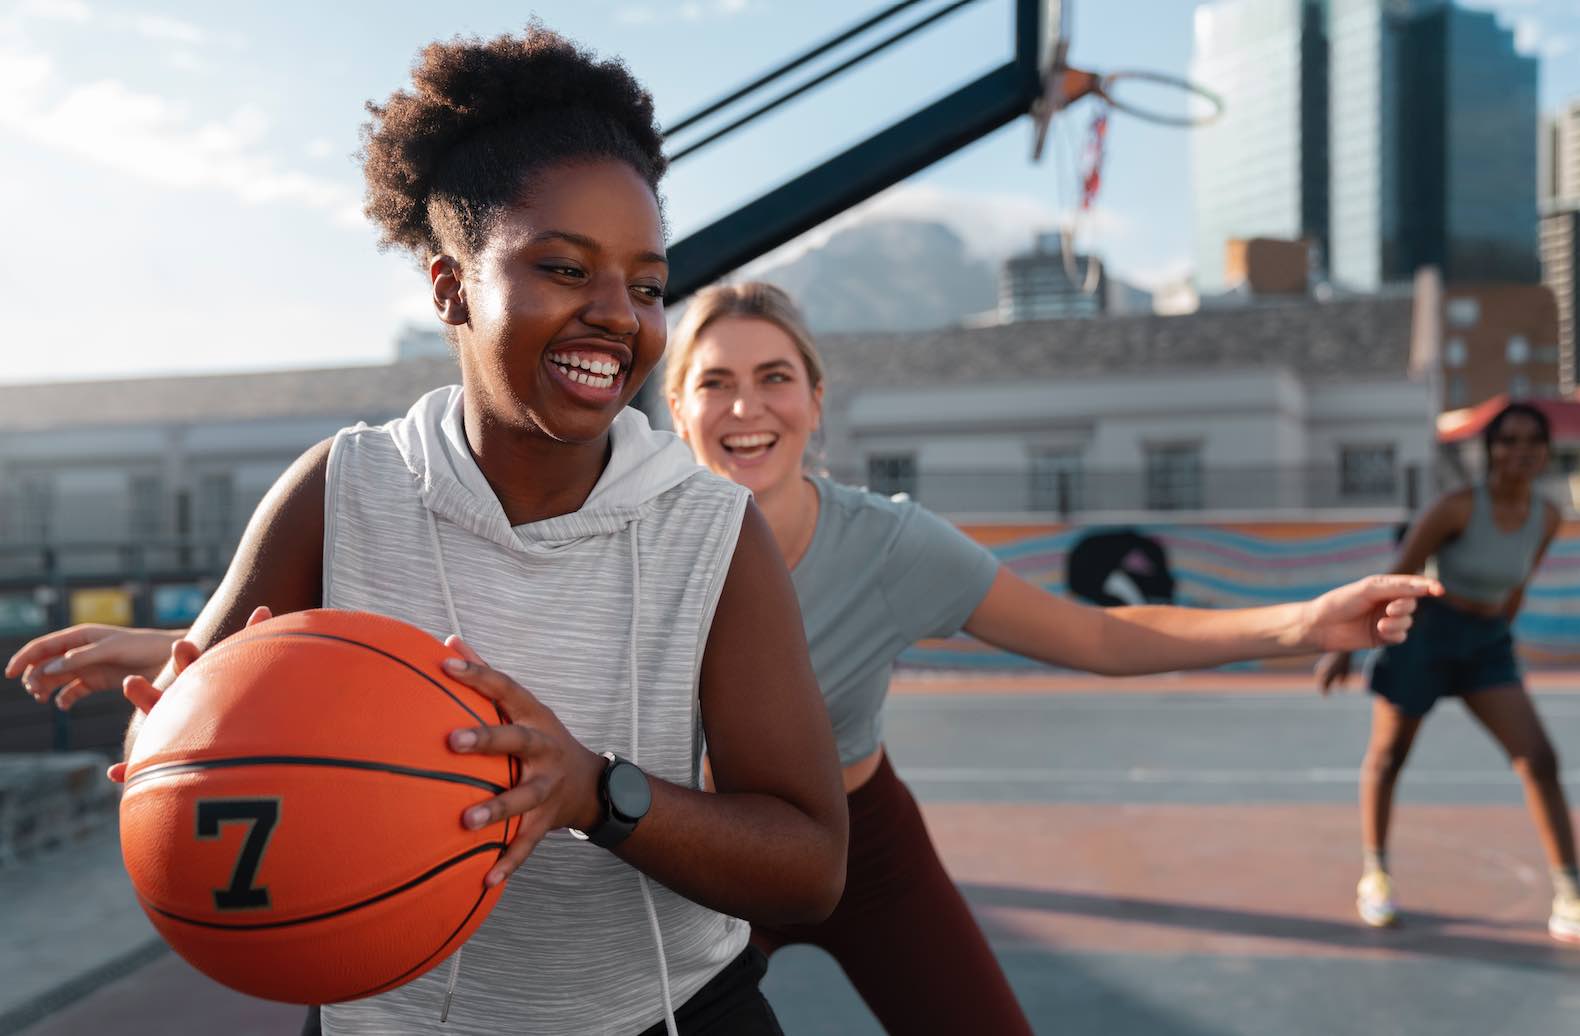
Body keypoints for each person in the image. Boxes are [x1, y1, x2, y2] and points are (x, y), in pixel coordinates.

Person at [12, 28, 853, 1036]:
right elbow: (198, 742)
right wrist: (174, 735)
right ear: (449, 285)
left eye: (643, 284)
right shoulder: (342, 488)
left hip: (660, 1014)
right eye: (562, 267)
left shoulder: (708, 531)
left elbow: (810, 867)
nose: (615, 316)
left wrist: (596, 791)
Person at [658, 281, 1446, 1032]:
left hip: (869, 846)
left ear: (816, 402)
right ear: (676, 409)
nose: (745, 406)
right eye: (715, 382)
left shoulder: (892, 546)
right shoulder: (637, 552)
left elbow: (1095, 635)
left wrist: (1303, 623)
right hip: (717, 849)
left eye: (775, 377)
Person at [1316, 402, 1579, 944]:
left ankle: (1570, 892)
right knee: (1389, 758)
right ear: (1491, 450)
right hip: (1428, 634)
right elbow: (1395, 577)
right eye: (1508, 440)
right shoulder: (1456, 508)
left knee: (1540, 759)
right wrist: (1346, 646)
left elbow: (1518, 583)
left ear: (1545, 451)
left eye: (1532, 440)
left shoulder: (1547, 515)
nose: (1520, 450)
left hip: (1486, 644)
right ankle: (1376, 875)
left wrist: (1500, 636)